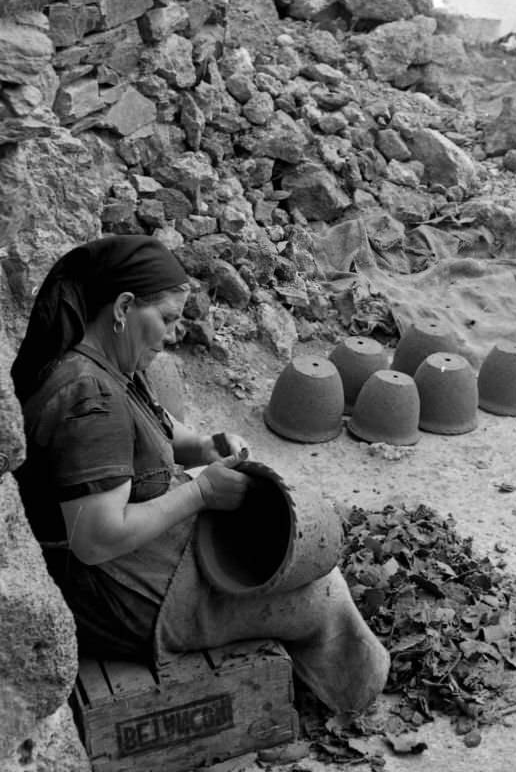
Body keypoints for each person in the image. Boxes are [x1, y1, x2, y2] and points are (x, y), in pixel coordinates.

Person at [12, 234, 389, 713]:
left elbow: (159, 427)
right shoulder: (91, 397)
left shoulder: (102, 366)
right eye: (166, 319)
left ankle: (313, 674)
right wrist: (200, 493)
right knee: (322, 592)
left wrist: (205, 447)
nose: (172, 334)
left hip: (125, 568)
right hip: (116, 595)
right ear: (124, 307)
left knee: (289, 553)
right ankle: (355, 703)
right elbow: (97, 539)